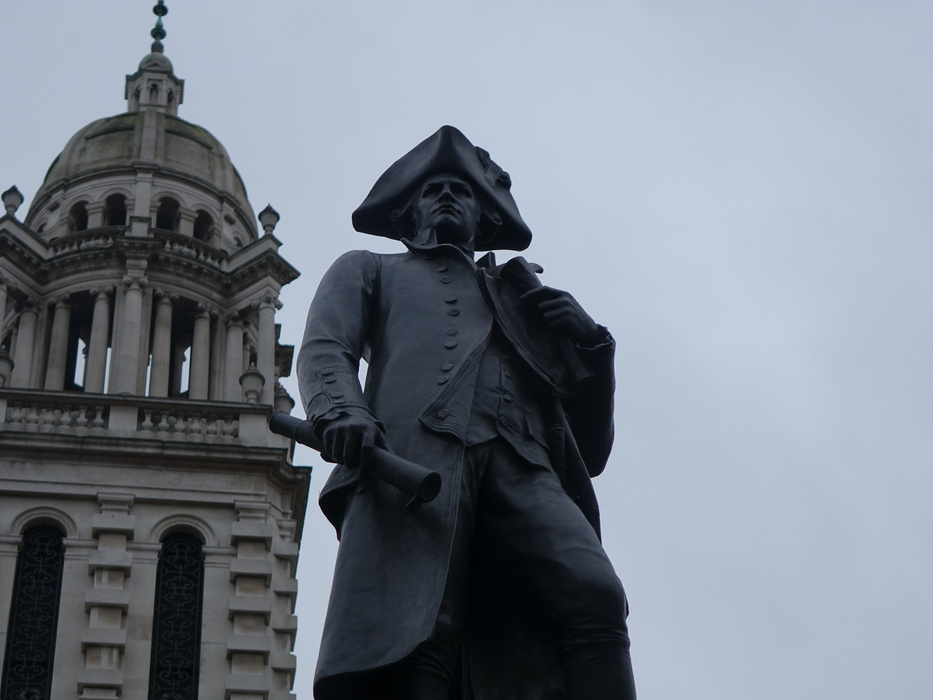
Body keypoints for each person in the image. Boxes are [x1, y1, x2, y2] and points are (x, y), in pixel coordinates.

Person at [298, 126, 635, 700]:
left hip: (525, 464)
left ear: (486, 217)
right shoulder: (369, 268)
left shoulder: (524, 301)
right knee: (424, 632)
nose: (448, 197)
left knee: (596, 593)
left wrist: (592, 346)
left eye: (462, 190)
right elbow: (326, 348)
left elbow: (592, 451)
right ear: (409, 214)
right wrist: (340, 412)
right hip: (414, 463)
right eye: (434, 190)